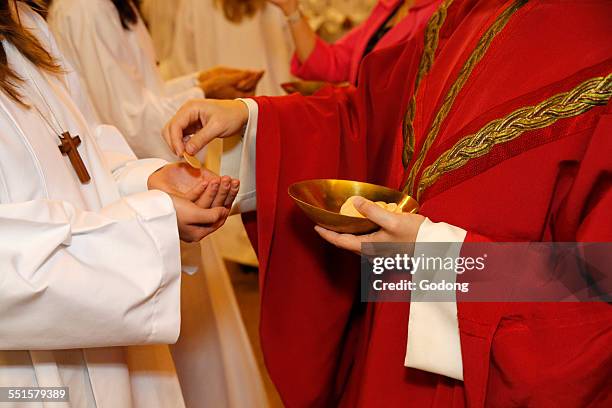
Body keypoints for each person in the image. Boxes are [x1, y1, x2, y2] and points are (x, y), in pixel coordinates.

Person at [164, 0, 612, 406]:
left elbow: (596, 288)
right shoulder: (464, 13)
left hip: (475, 361)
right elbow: (370, 115)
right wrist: (253, 116)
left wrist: (440, 257)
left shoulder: (596, 41)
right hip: (391, 326)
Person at [0, 1, 239, 406]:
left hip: (115, 351)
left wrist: (145, 182)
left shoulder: (25, 22)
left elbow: (80, 149)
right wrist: (149, 225)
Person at [47, 0, 263, 162]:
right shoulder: (86, 9)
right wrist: (204, 92)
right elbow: (129, 123)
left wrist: (201, 83)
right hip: (120, 165)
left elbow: (143, 90)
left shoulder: (113, 4)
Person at [268, 0, 441, 85]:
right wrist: (290, 9)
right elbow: (332, 62)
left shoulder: (440, 11)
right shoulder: (389, 8)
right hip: (364, 131)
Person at [151, 0, 292, 97]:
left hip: (265, 108)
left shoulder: (276, 5)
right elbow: (184, 64)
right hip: (219, 114)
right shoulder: (195, 4)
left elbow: (182, 64)